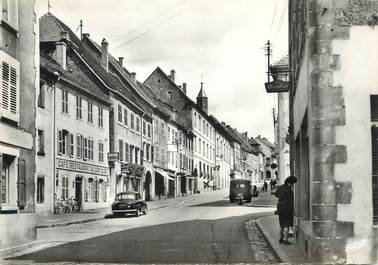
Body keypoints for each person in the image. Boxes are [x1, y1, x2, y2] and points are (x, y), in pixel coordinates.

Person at [274, 176, 297, 245]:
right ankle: (285, 240)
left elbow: (276, 194)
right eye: (292, 184)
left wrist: (281, 198)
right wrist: (293, 210)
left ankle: (280, 239)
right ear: (290, 183)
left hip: (280, 207)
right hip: (287, 208)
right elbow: (291, 202)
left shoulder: (280, 187)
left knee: (281, 224)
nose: (293, 185)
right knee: (287, 225)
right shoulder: (289, 190)